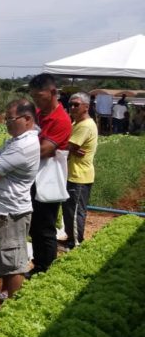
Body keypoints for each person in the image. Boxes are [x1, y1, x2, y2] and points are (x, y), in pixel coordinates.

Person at [0, 99, 40, 300]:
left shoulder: (24, 145)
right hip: (4, 208)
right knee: (4, 254)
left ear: (27, 119)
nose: (6, 123)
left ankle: (11, 304)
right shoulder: (15, 141)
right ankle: (5, 292)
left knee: (13, 260)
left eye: (10, 119)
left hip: (11, 211)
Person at [26, 73, 72, 278]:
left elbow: (43, 150)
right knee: (35, 225)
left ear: (53, 93)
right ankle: (38, 265)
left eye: (40, 96)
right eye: (34, 97)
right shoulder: (39, 113)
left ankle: (46, 269)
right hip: (35, 177)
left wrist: (21, 148)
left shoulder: (60, 119)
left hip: (49, 180)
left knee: (45, 226)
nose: (37, 101)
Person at [62, 92, 98, 251]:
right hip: (73, 174)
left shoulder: (84, 125)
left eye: (76, 104)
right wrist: (68, 147)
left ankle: (76, 243)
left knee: (75, 212)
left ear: (86, 107)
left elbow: (67, 148)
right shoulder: (76, 123)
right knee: (69, 211)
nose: (72, 107)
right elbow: (68, 146)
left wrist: (69, 148)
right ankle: (71, 238)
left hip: (79, 176)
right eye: (70, 104)